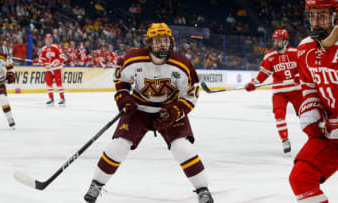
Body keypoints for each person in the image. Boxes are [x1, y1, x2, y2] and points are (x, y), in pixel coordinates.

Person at [84, 23, 214, 203]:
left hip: (168, 111)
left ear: (171, 43)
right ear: (149, 43)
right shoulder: (132, 59)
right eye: (158, 41)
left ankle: (203, 189)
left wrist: (176, 111)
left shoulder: (183, 65)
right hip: (138, 109)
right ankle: (97, 184)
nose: (162, 45)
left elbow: (190, 96)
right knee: (119, 145)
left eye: (166, 41)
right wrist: (123, 96)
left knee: (182, 148)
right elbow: (121, 80)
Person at [289, 0, 338, 202]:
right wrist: (310, 108)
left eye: (323, 16)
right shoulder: (305, 48)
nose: (316, 22)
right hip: (332, 134)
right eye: (312, 16)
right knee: (302, 177)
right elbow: (309, 86)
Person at [244, 29, 303, 155]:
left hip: (296, 91)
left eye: (279, 41)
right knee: (279, 114)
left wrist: (299, 75)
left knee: (306, 115)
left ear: (286, 42)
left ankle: (316, 139)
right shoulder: (270, 55)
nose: (276, 43)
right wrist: (254, 84)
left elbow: (305, 68)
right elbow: (263, 74)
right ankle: (284, 140)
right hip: (279, 91)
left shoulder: (295, 52)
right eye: (275, 40)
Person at [38, 33, 67, 106]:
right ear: (45, 40)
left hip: (57, 68)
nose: (49, 40)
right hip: (48, 69)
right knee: (48, 82)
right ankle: (51, 98)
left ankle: (62, 98)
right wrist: (42, 61)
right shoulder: (44, 49)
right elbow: (42, 58)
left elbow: (63, 57)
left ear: (52, 39)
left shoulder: (56, 46)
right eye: (47, 39)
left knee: (58, 83)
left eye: (50, 38)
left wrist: (56, 62)